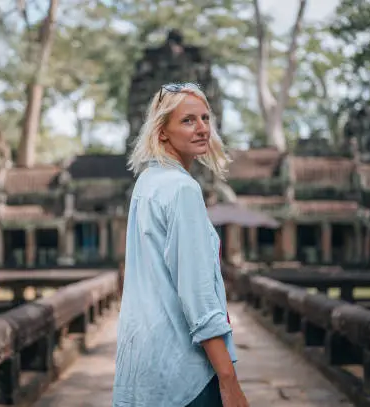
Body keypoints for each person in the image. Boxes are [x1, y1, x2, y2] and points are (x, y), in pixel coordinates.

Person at [112, 82, 249, 407]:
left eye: (205, 118)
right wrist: (229, 380)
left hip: (144, 369)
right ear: (162, 132)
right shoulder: (182, 190)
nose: (202, 128)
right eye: (188, 120)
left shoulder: (147, 182)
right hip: (185, 375)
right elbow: (198, 295)